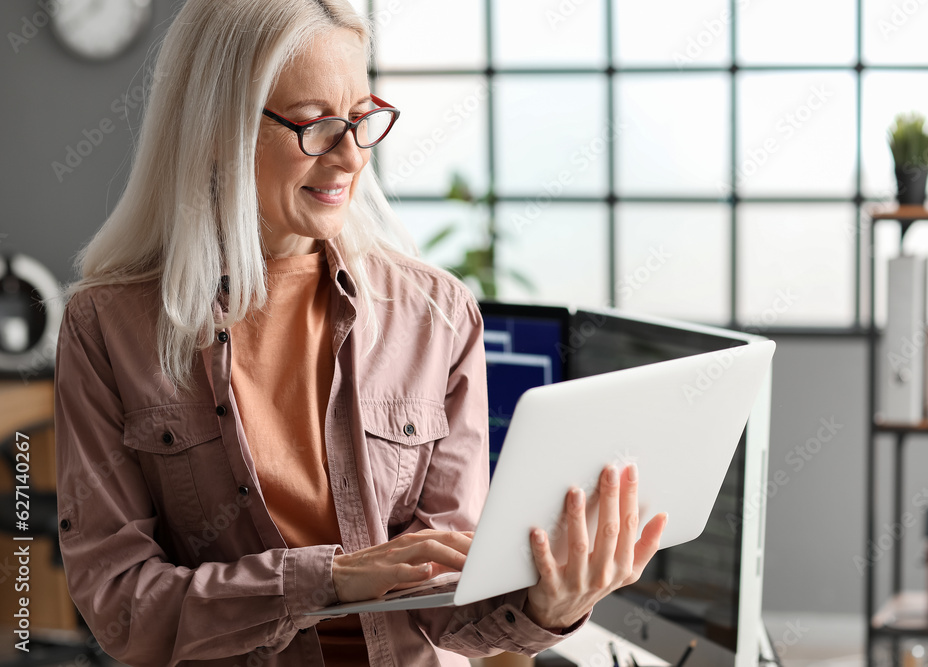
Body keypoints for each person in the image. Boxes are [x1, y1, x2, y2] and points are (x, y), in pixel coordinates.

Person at [53, 1, 668, 665]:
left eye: (360, 119)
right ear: (215, 129)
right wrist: (329, 578)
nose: (350, 155)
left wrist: (555, 605)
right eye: (315, 125)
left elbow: (450, 601)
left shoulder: (437, 314)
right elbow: (120, 605)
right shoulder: (105, 328)